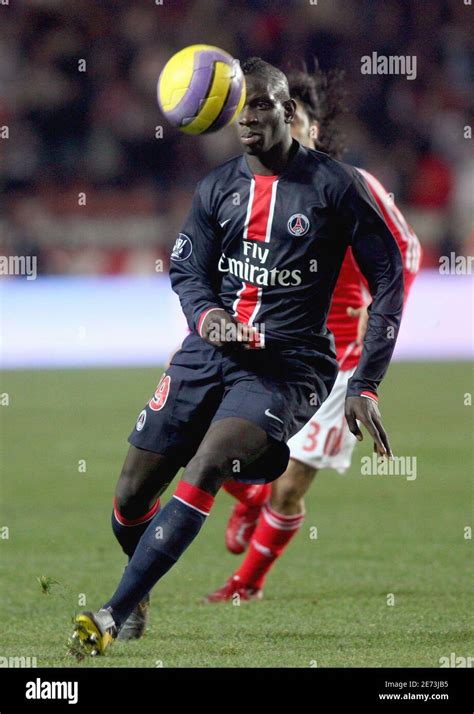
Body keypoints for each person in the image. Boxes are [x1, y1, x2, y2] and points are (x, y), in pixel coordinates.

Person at [70, 57, 404, 656]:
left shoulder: (334, 186)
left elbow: (390, 275)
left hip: (289, 366)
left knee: (208, 462)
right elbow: (186, 268)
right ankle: (140, 593)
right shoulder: (218, 187)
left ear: (285, 112)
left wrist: (366, 383)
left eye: (260, 105)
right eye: (239, 108)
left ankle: (113, 612)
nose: (247, 117)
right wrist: (208, 317)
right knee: (129, 496)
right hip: (207, 354)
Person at [205, 62, 421, 603]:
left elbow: (407, 250)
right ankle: (248, 497)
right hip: (267, 345)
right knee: (200, 439)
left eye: (289, 116)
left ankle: (245, 586)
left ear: (311, 130)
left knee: (292, 484)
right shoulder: (254, 190)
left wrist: (381, 304)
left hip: (337, 360)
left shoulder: (352, 186)